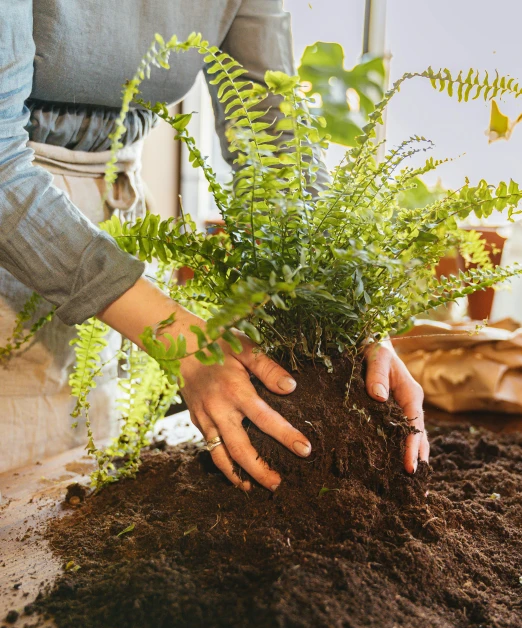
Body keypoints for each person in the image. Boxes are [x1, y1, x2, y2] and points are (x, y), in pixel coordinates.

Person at [0, 0, 429, 486]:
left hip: (119, 231)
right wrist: (186, 342)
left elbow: (273, 135)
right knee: (23, 494)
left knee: (91, 473)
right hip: (18, 231)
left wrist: (352, 317)